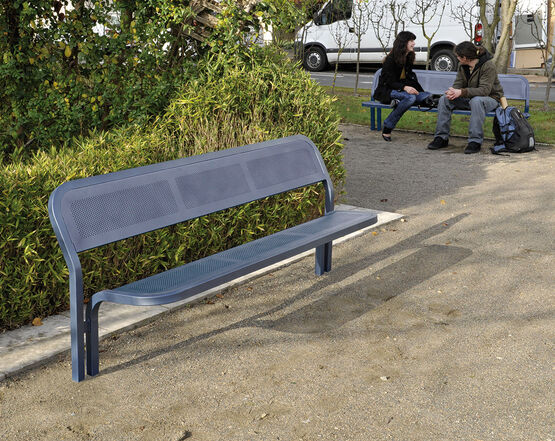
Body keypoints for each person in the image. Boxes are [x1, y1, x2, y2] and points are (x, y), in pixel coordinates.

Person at [427, 41, 504, 154]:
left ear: (465, 57)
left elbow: (484, 90)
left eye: (458, 56)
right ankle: (441, 138)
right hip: (470, 98)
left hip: (491, 98)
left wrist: (461, 92)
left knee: (476, 101)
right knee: (444, 99)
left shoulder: (488, 65)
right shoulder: (462, 65)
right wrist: (452, 92)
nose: (457, 58)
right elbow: (458, 83)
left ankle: (475, 141)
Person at [374, 31, 431, 142]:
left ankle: (398, 102)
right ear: (403, 43)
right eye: (411, 41)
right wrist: (405, 88)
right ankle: (388, 126)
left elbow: (409, 79)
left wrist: (419, 91)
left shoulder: (408, 57)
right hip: (387, 90)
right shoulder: (390, 60)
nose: (414, 43)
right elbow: (389, 81)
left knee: (427, 96)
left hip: (401, 91)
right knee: (410, 98)